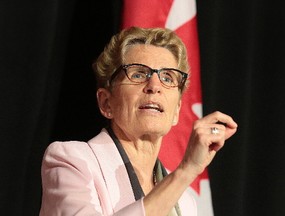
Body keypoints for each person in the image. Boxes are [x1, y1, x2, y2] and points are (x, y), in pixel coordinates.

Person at [39, 26, 237, 216]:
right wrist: (186, 171)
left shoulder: (185, 201)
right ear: (106, 103)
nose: (154, 86)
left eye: (167, 78)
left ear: (177, 110)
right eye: (138, 74)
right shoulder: (71, 161)